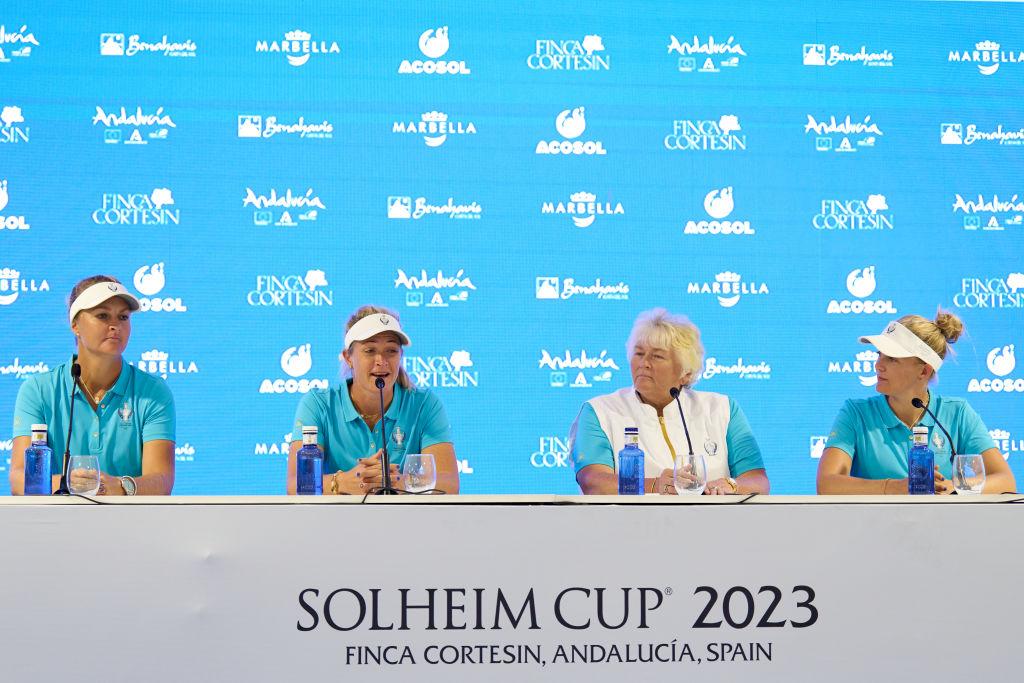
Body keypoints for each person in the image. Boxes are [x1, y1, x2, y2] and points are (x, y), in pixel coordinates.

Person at [570, 308, 769, 495]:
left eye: (657, 356)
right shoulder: (599, 411)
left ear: (686, 372)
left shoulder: (722, 409)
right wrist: (655, 485)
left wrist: (731, 485)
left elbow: (758, 481)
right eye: (639, 353)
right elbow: (593, 482)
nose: (644, 363)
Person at [9, 275, 176, 495]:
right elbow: (19, 478)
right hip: (57, 516)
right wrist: (68, 483)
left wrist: (122, 486)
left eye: (123, 317)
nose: (115, 325)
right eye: (102, 315)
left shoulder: (153, 392)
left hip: (130, 517)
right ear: (75, 325)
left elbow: (161, 480)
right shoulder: (38, 390)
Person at [817, 312, 1015, 494]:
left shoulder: (957, 412)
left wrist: (953, 487)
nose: (878, 365)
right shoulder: (856, 413)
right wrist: (894, 488)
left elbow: (1005, 481)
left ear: (923, 371)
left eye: (892, 358)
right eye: (879, 354)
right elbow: (826, 484)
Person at [287, 305, 459, 495]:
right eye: (370, 350)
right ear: (348, 357)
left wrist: (399, 482)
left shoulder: (424, 404)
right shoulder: (319, 404)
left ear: (400, 356)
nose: (381, 360)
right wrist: (343, 482)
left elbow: (449, 483)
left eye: (391, 350)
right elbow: (295, 484)